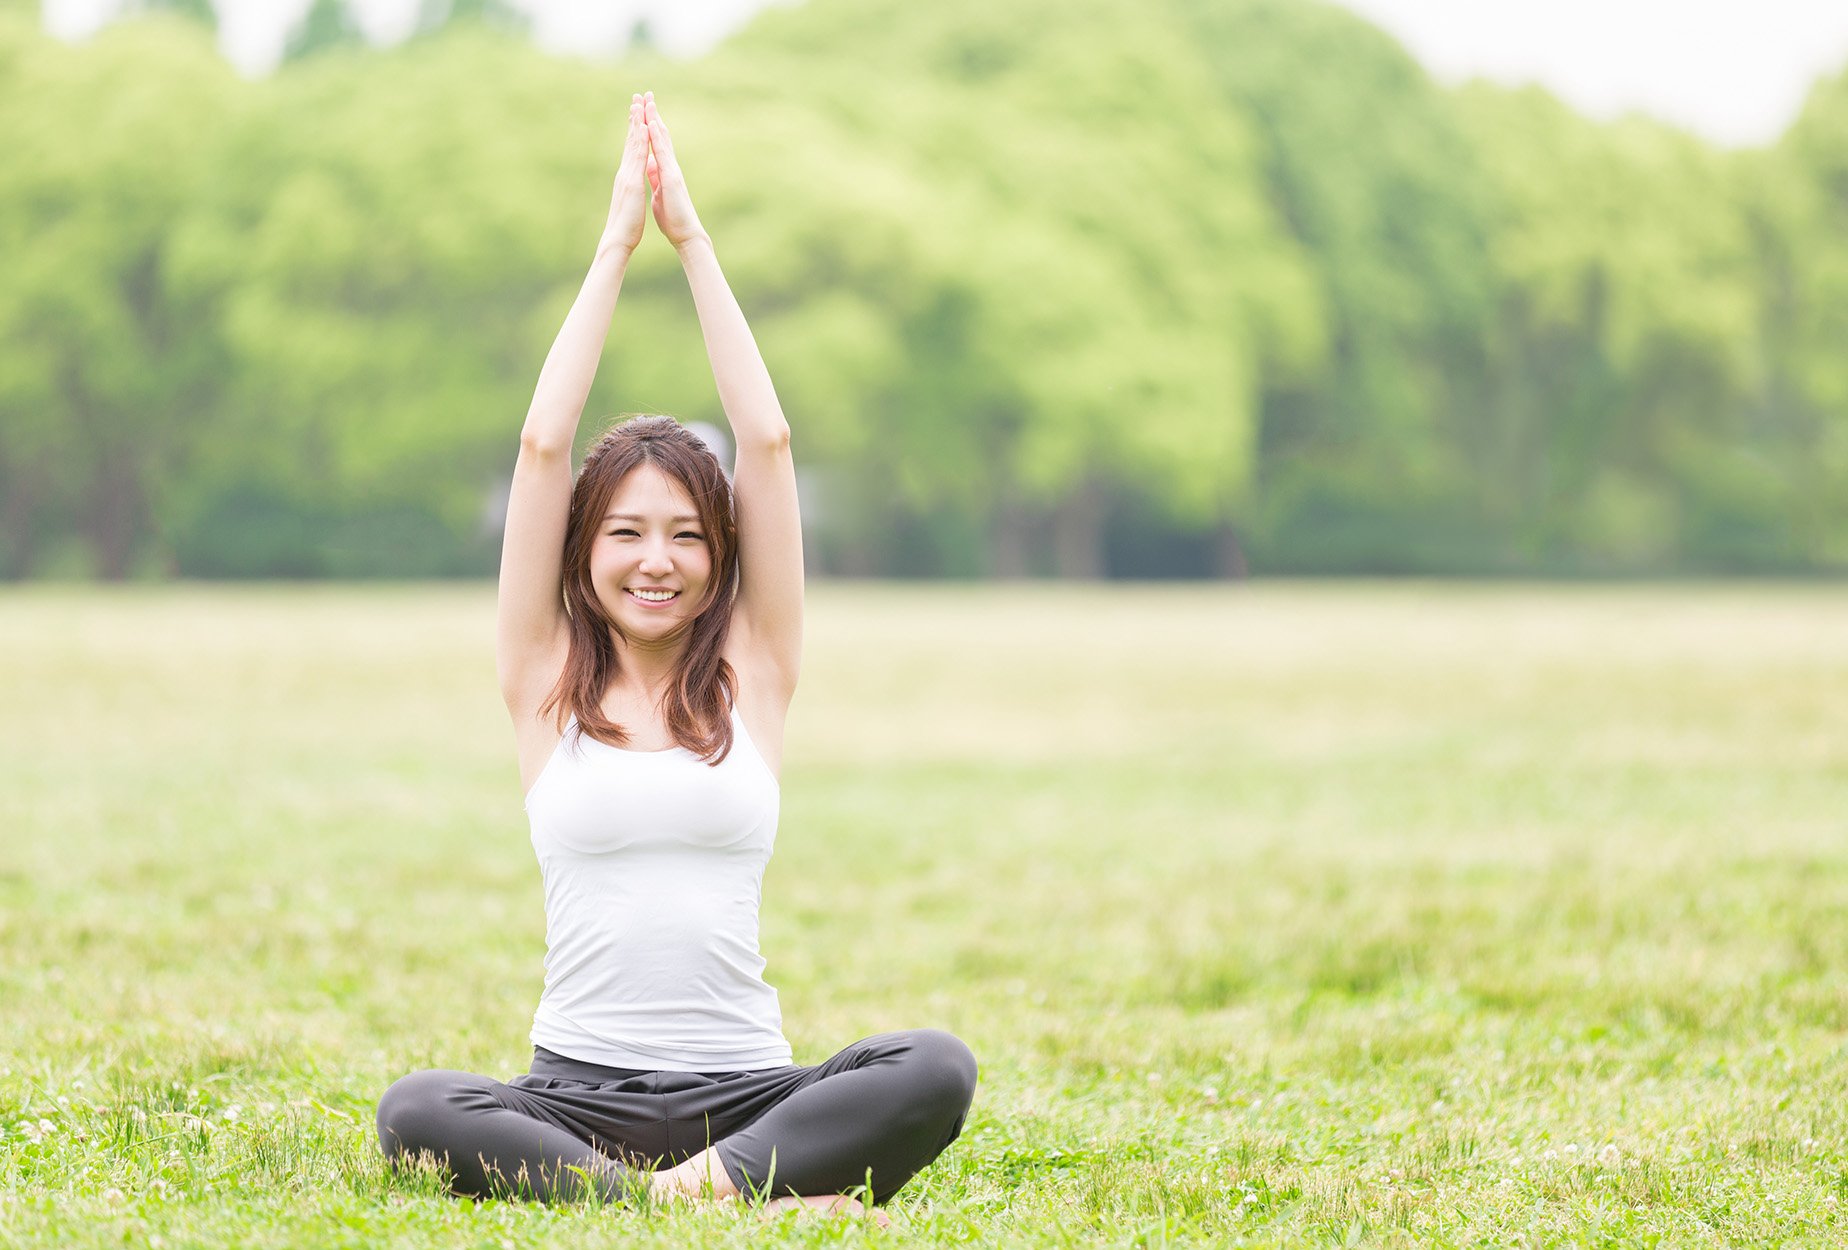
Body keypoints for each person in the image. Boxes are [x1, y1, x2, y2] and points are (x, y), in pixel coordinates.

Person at [374, 93, 977, 1220]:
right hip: (572, 1094)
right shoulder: (541, 676)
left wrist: (692, 242)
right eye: (627, 533)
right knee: (417, 1107)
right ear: (581, 549)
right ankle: (711, 1200)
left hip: (749, 1089)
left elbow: (770, 442)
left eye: (690, 534)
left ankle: (679, 1188)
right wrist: (615, 245)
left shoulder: (755, 672)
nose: (660, 561)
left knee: (935, 1066)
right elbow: (544, 443)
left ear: (721, 554)